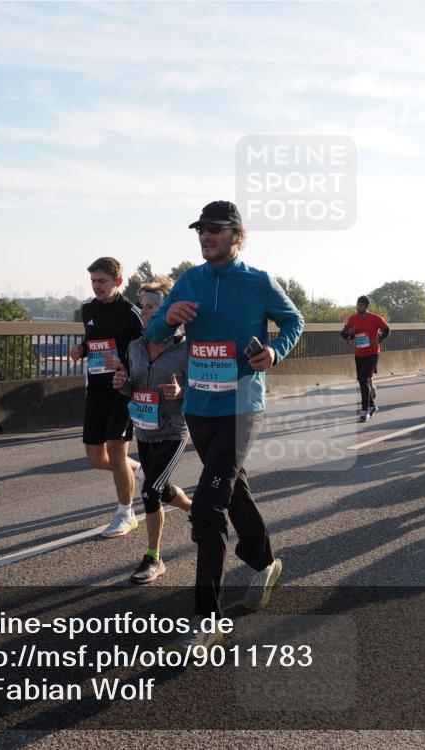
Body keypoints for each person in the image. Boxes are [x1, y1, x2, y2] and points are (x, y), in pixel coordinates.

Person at [146, 200, 303, 647]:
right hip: (199, 406)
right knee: (232, 489)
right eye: (200, 229)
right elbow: (154, 333)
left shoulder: (258, 281)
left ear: (237, 235)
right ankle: (265, 561)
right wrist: (167, 319)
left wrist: (274, 351)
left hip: (242, 406)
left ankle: (205, 615)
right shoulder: (190, 280)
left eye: (214, 229)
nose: (205, 236)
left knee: (210, 503)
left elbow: (294, 321)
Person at [112, 277, 193, 585]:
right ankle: (192, 509)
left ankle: (153, 558)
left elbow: (201, 388)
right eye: (142, 306)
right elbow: (134, 388)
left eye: (150, 307)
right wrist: (123, 385)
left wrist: (180, 391)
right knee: (163, 489)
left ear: (168, 310)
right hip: (144, 430)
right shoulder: (135, 347)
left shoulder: (186, 349)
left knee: (149, 491)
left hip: (173, 430)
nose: (143, 312)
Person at [68, 257, 144, 538]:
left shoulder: (132, 313)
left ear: (118, 282)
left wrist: (123, 361)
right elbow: (93, 341)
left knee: (115, 453)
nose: (97, 286)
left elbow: (145, 351)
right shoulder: (88, 308)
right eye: (93, 281)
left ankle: (126, 513)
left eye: (102, 281)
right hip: (96, 391)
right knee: (96, 458)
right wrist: (81, 350)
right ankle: (136, 468)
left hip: (122, 391)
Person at [341, 295, 390, 422]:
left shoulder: (375, 318)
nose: (358, 307)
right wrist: (349, 336)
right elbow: (343, 333)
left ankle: (365, 411)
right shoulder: (352, 319)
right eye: (357, 304)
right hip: (359, 354)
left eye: (361, 305)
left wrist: (379, 339)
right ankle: (372, 406)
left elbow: (387, 330)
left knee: (363, 379)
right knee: (363, 381)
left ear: (366, 306)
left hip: (373, 353)